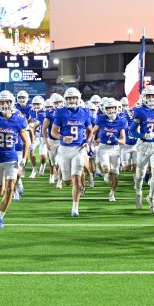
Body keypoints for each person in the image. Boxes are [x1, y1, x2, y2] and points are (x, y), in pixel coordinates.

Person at [0, 90, 30, 228]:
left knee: (9, 189)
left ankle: (0, 218)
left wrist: (24, 158)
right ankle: (2, 179)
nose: (4, 104)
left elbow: (27, 141)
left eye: (7, 101)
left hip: (11, 159)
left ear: (12, 102)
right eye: (1, 102)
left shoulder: (19, 118)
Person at [51, 87, 92, 217]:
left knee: (76, 179)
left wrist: (87, 141)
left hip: (78, 150)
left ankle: (75, 207)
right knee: (67, 181)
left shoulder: (85, 112)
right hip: (64, 150)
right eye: (69, 98)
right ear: (65, 99)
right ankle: (68, 183)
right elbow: (53, 132)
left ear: (78, 98)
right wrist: (62, 137)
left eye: (74, 98)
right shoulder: (60, 112)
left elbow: (90, 130)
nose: (72, 100)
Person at [129, 85, 154, 214]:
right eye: (149, 96)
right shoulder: (140, 111)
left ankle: (151, 198)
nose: (151, 98)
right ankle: (138, 191)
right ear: (144, 97)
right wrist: (143, 135)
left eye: (153, 96)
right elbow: (131, 131)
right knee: (140, 174)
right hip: (144, 146)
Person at [92, 98, 127, 202]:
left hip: (115, 148)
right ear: (104, 109)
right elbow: (93, 131)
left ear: (117, 108)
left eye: (112, 107)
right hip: (103, 147)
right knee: (106, 169)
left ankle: (112, 193)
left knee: (115, 174)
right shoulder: (101, 119)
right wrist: (90, 140)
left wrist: (117, 139)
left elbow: (123, 141)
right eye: (108, 108)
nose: (111, 110)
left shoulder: (121, 121)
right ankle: (106, 173)